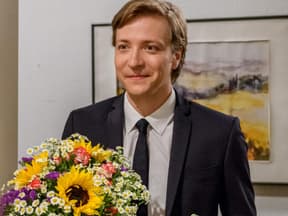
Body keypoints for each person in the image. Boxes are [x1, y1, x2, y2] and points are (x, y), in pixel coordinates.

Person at [62, 0, 257, 215]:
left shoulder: (220, 133)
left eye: (150, 48)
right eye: (124, 47)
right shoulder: (82, 125)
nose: (134, 61)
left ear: (176, 56)